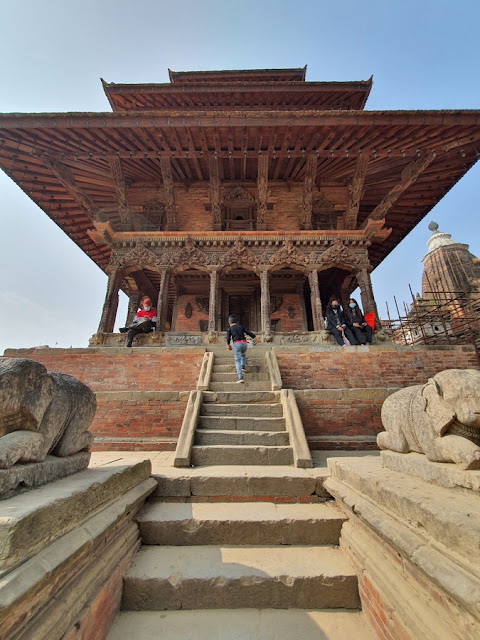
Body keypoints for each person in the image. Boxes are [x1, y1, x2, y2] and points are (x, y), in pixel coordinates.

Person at [226, 315, 260, 383]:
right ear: (237, 322)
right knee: (243, 354)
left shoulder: (229, 329)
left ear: (229, 322)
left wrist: (228, 345)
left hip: (237, 343)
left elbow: (228, 338)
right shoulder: (241, 326)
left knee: (237, 360)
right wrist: (256, 338)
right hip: (244, 344)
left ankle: (240, 377)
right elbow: (249, 333)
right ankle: (243, 367)